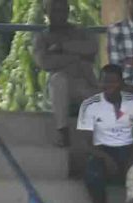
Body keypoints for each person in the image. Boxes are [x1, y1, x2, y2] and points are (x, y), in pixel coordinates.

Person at [35, 0, 101, 147]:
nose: (59, 14)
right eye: (54, 11)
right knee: (58, 80)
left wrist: (62, 47)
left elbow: (92, 47)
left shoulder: (80, 32)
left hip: (86, 82)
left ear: (67, 11)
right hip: (63, 86)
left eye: (62, 10)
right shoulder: (43, 37)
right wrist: (76, 57)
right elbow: (45, 62)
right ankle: (63, 131)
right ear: (47, 13)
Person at [77, 65, 133, 203]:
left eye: (113, 81)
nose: (109, 85)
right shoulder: (89, 105)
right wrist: (106, 158)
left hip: (128, 148)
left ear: (122, 83)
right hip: (102, 150)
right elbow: (85, 143)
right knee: (93, 174)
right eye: (105, 81)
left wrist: (132, 160)